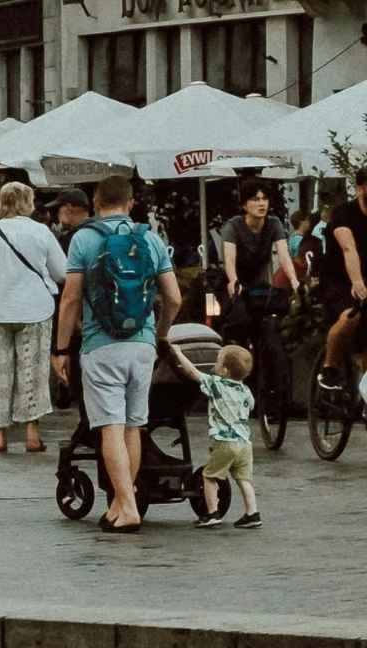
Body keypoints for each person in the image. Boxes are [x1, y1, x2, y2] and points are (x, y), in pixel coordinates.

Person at [53, 175, 182, 533]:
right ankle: (119, 503)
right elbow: (174, 297)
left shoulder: (84, 239)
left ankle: (127, 507)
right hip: (141, 345)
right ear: (130, 203)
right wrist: (160, 334)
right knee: (133, 426)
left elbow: (71, 299)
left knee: (109, 426)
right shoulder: (150, 238)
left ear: (95, 202)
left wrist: (61, 348)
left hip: (100, 345)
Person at [0, 182, 65, 454]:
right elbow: (62, 272)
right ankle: (32, 433)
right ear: (29, 203)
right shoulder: (41, 232)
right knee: (32, 372)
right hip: (35, 309)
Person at [158, 341, 260, 529]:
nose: (215, 364)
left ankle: (212, 513)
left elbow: (192, 373)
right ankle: (252, 513)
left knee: (209, 476)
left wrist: (178, 353)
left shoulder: (217, 384)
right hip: (244, 443)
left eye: (218, 362)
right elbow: (251, 406)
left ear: (225, 371)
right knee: (244, 479)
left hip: (224, 442)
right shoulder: (245, 390)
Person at [219, 178, 299, 341]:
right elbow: (229, 258)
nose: (261, 204)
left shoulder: (273, 223)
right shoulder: (233, 226)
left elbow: (284, 254)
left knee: (274, 324)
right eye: (255, 199)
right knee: (240, 322)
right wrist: (234, 282)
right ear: (244, 205)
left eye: (264, 199)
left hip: (259, 286)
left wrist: (294, 280)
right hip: (234, 286)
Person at [317, 168, 367, 392]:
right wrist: (357, 282)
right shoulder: (344, 214)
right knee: (349, 317)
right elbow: (349, 249)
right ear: (360, 188)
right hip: (339, 279)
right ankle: (330, 367)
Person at [51, 188, 93, 253]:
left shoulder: (70, 239)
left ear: (68, 207)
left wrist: (55, 237)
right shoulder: (99, 227)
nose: (57, 215)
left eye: (58, 210)